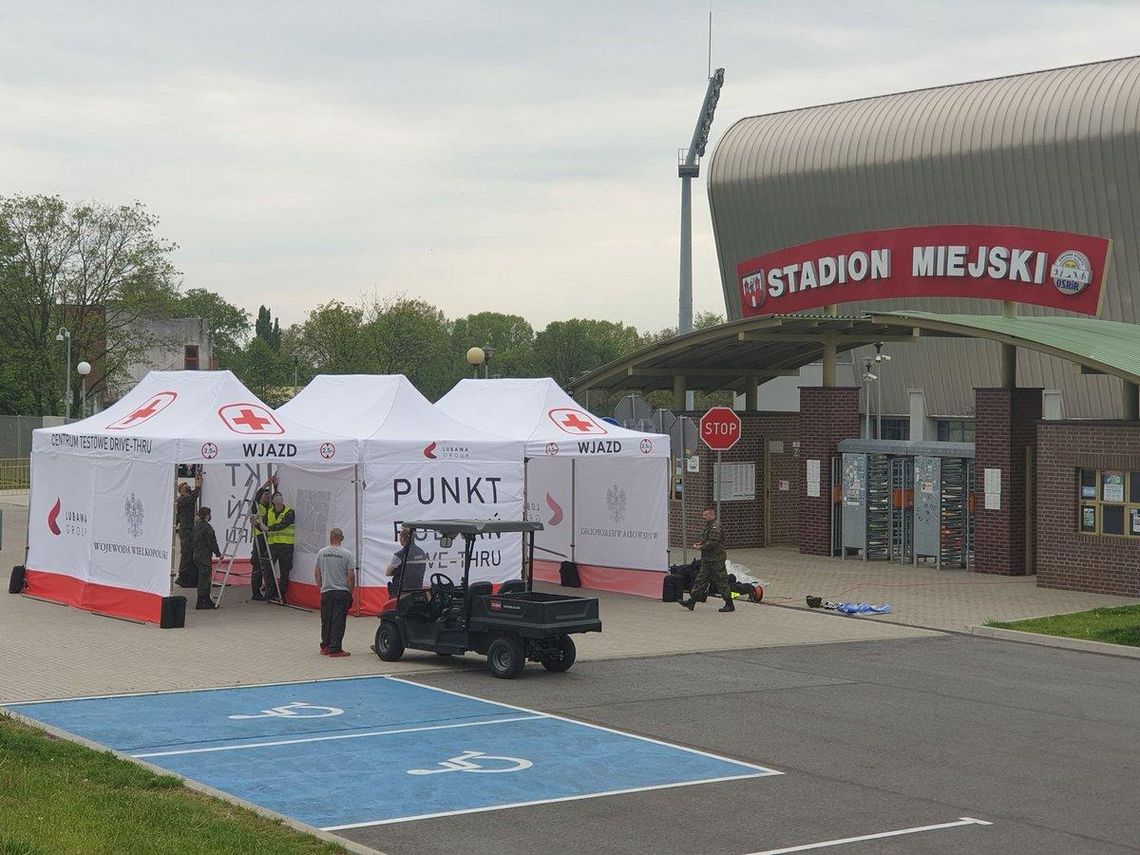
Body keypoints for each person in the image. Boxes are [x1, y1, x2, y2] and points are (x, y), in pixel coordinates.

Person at [679, 506, 734, 613]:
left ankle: (729, 604)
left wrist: (701, 547)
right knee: (701, 580)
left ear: (711, 515)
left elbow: (713, 542)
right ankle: (692, 601)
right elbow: (708, 540)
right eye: (703, 515)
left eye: (706, 515)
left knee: (721, 580)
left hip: (716, 559)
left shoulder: (715, 527)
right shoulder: (709, 526)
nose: (703, 517)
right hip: (707, 559)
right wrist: (701, 543)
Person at [315, 527, 355, 657]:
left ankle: (325, 646)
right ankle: (335, 648)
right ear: (341, 538)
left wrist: (321, 587)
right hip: (341, 591)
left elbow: (317, 573)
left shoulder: (321, 553)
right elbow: (350, 576)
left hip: (326, 591)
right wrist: (350, 592)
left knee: (326, 620)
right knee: (338, 620)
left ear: (331, 537)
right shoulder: (347, 554)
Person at [263, 490, 295, 600]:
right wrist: (257, 524)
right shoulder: (269, 512)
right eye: (275, 496)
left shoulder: (289, 511)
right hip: (272, 545)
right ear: (272, 500)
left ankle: (280, 594)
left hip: (286, 545)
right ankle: (270, 592)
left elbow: (284, 524)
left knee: (284, 570)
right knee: (268, 568)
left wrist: (269, 528)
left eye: (279, 495)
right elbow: (263, 525)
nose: (278, 497)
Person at [174, 471, 202, 588]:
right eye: (185, 487)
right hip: (186, 530)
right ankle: (183, 578)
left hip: (190, 529)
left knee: (190, 554)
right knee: (186, 554)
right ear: (181, 490)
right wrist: (198, 486)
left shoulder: (186, 498)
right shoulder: (182, 500)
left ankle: (190, 578)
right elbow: (192, 498)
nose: (187, 488)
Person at [248, 477, 274, 600]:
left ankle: (268, 588)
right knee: (257, 564)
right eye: (265, 494)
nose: (268, 497)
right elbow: (256, 497)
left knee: (268, 564)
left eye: (269, 494)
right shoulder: (257, 506)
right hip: (259, 538)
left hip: (269, 538)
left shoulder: (270, 507)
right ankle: (255, 592)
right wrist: (266, 484)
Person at [193, 506, 223, 610]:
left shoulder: (197, 526)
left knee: (203, 578)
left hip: (197, 555)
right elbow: (212, 542)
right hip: (204, 556)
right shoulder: (207, 528)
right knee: (205, 579)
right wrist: (218, 554)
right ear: (207, 515)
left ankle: (204, 599)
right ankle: (202, 601)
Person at [385, 528, 429, 594]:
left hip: (400, 592)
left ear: (402, 538)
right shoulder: (421, 552)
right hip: (416, 590)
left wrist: (395, 572)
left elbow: (387, 573)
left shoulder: (400, 554)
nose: (400, 539)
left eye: (400, 536)